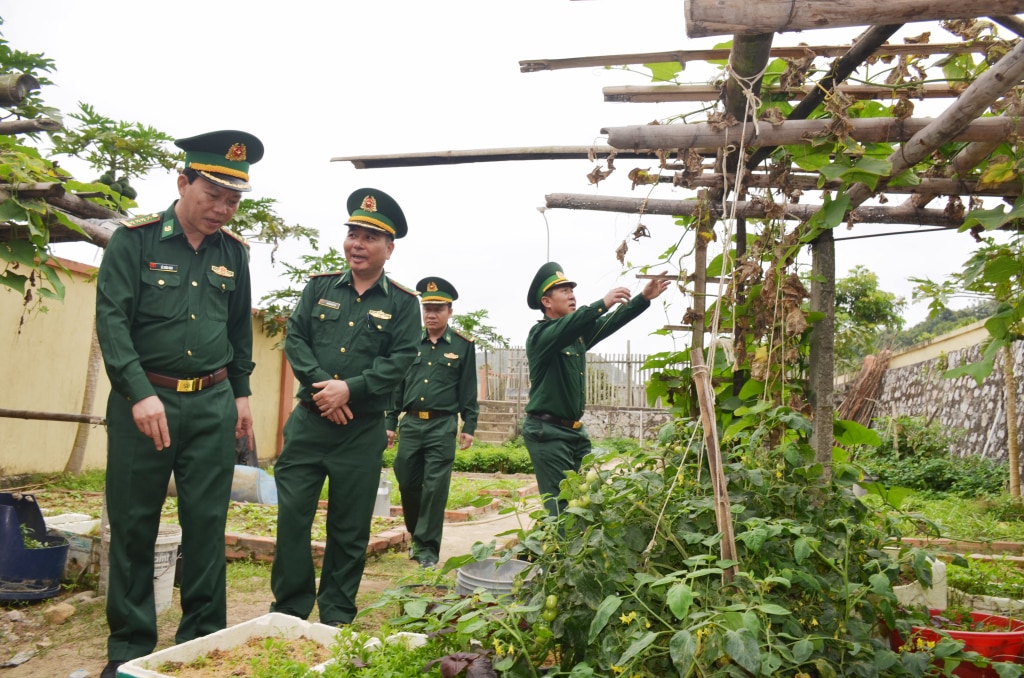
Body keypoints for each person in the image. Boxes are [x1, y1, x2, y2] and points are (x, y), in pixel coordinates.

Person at [95, 130, 262, 677]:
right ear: (182, 181)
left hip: (212, 404)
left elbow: (240, 331)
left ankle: (202, 640)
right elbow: (112, 322)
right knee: (134, 524)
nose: (222, 209)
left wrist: (241, 397)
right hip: (145, 405)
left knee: (207, 524)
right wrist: (138, 393)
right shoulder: (135, 242)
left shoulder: (233, 253)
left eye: (233, 199)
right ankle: (130, 646)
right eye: (213, 194)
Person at [270, 188, 420, 626]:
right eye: (353, 233)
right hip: (308, 426)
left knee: (350, 528)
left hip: (360, 431)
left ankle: (336, 613)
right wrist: (327, 391)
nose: (358, 243)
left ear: (389, 249)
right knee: (292, 520)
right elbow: (295, 340)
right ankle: (290, 610)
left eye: (370, 237)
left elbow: (399, 361)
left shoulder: (403, 305)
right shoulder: (318, 288)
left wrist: (348, 390)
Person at [523, 262, 669, 517]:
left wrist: (643, 298)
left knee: (589, 499)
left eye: (571, 289)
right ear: (546, 301)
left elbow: (607, 323)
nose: (571, 294)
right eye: (563, 290)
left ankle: (577, 551)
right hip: (547, 433)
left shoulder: (575, 336)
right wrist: (602, 302)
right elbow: (576, 323)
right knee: (562, 507)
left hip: (574, 433)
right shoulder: (540, 336)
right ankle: (559, 551)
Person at [385, 277, 479, 568]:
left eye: (438, 308)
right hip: (411, 425)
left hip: (443, 426)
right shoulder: (409, 343)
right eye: (427, 308)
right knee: (407, 482)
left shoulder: (463, 346)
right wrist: (390, 422)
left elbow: (468, 388)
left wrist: (469, 426)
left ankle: (427, 549)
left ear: (450, 311)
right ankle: (417, 534)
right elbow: (397, 386)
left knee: (435, 488)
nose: (431, 314)